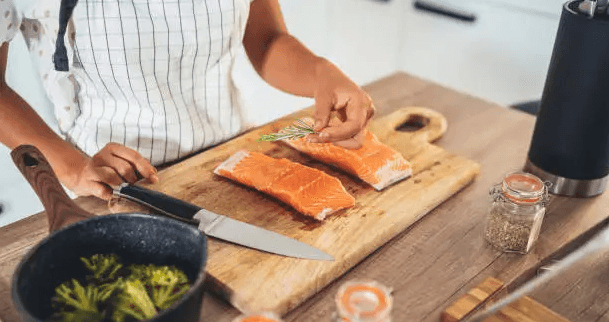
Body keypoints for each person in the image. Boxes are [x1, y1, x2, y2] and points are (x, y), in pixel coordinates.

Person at [0, 0, 375, 200]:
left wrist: (321, 73)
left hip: (236, 158)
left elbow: (265, 39)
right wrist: (70, 166)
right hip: (115, 187)